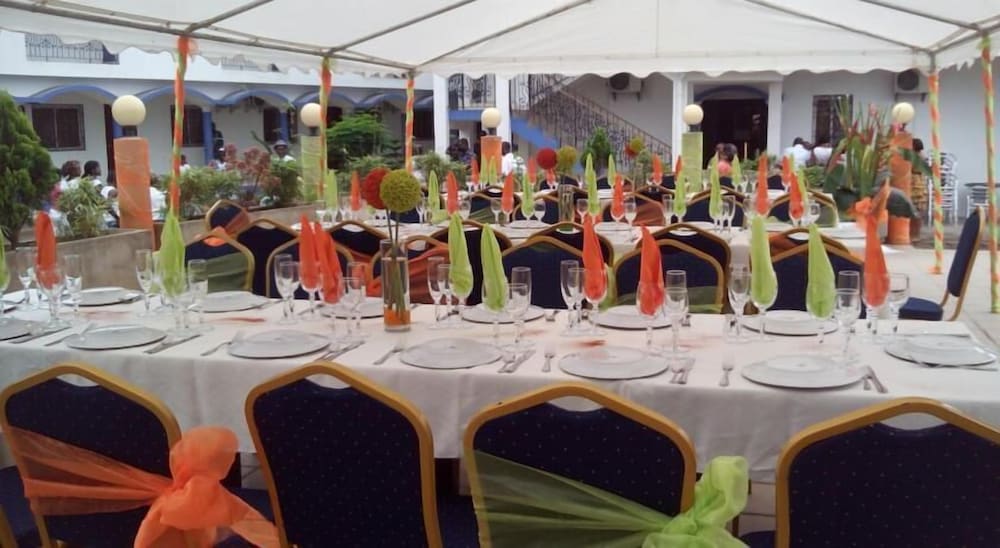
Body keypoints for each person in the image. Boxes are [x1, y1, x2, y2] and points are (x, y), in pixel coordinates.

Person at [910, 138, 929, 242]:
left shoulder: (917, 157)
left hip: (915, 184)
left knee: (916, 211)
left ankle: (914, 235)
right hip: (918, 184)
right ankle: (915, 234)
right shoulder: (921, 156)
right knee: (917, 211)